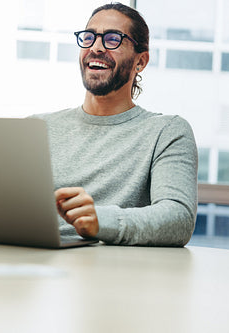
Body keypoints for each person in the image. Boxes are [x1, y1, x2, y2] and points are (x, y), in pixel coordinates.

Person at [32, 2, 198, 246]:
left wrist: (100, 220)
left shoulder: (167, 132)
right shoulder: (38, 127)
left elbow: (178, 218)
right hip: (33, 266)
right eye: (89, 37)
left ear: (140, 62)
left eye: (112, 39)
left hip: (109, 275)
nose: (96, 47)